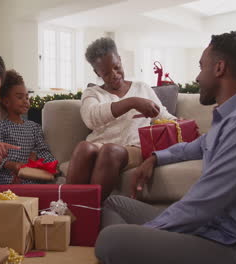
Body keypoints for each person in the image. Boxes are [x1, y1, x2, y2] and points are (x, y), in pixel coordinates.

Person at [96, 31, 236, 264]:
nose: (197, 77)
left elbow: (204, 202)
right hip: (208, 228)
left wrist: (148, 235)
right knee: (114, 203)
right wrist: (155, 157)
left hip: (234, 244)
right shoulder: (232, 116)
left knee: (110, 241)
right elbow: (194, 147)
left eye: (201, 66)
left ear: (219, 68)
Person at [67, 37, 175, 200]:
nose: (114, 75)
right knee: (84, 147)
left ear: (120, 60)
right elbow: (90, 118)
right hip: (100, 144)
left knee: (110, 150)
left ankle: (91, 212)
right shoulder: (93, 93)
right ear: (97, 73)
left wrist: (180, 122)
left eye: (117, 67)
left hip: (132, 148)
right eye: (106, 73)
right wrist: (132, 102)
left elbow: (163, 117)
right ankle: (66, 209)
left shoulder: (142, 88)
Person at [0, 70, 56, 185]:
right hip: (6, 181)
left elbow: (43, 150)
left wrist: (42, 160)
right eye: (20, 97)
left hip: (32, 178)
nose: (25, 101)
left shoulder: (34, 128)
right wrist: (11, 165)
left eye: (27, 97)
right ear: (6, 101)